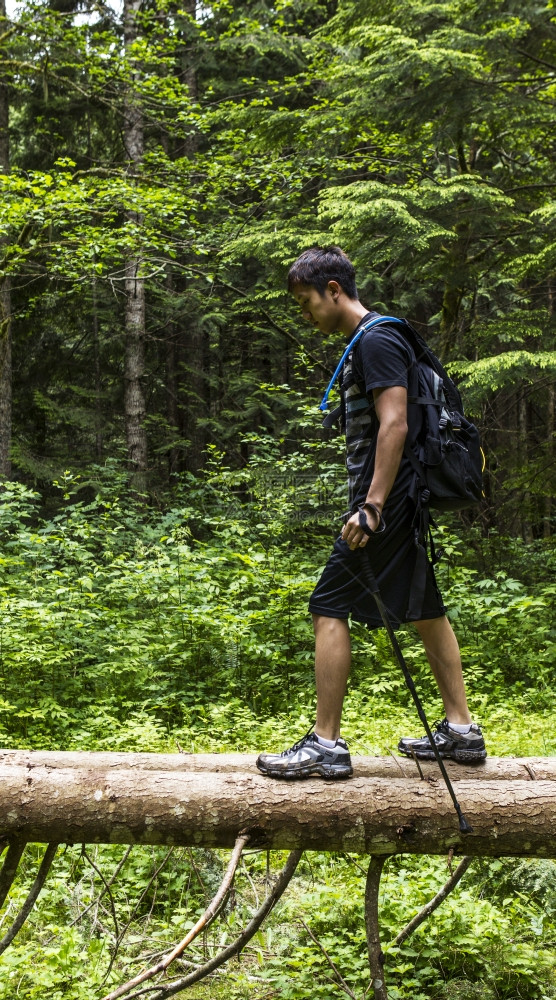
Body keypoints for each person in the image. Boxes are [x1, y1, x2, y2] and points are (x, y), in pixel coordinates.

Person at [256, 246, 486, 781]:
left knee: (328, 605)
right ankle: (462, 731)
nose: (306, 311)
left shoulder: (378, 339)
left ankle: (326, 745)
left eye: (307, 300)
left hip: (390, 500)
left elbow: (395, 424)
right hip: (404, 497)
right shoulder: (378, 336)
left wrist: (372, 506)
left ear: (334, 290)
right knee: (425, 607)